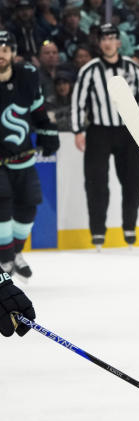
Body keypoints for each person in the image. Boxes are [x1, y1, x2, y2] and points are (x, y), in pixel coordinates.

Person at [71, 24, 139, 248]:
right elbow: (78, 101)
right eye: (104, 38)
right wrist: (78, 130)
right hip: (99, 130)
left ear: (119, 42)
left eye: (112, 38)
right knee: (96, 182)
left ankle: (129, 226)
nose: (108, 42)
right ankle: (98, 231)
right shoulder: (89, 69)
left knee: (136, 180)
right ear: (99, 43)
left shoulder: (133, 68)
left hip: (129, 130)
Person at [0, 32, 60, 278]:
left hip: (22, 156)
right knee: (1, 204)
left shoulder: (27, 76)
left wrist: (48, 133)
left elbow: (38, 110)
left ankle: (14, 254)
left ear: (13, 53)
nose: (0, 54)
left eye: (5, 49)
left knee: (28, 206)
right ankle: (4, 260)